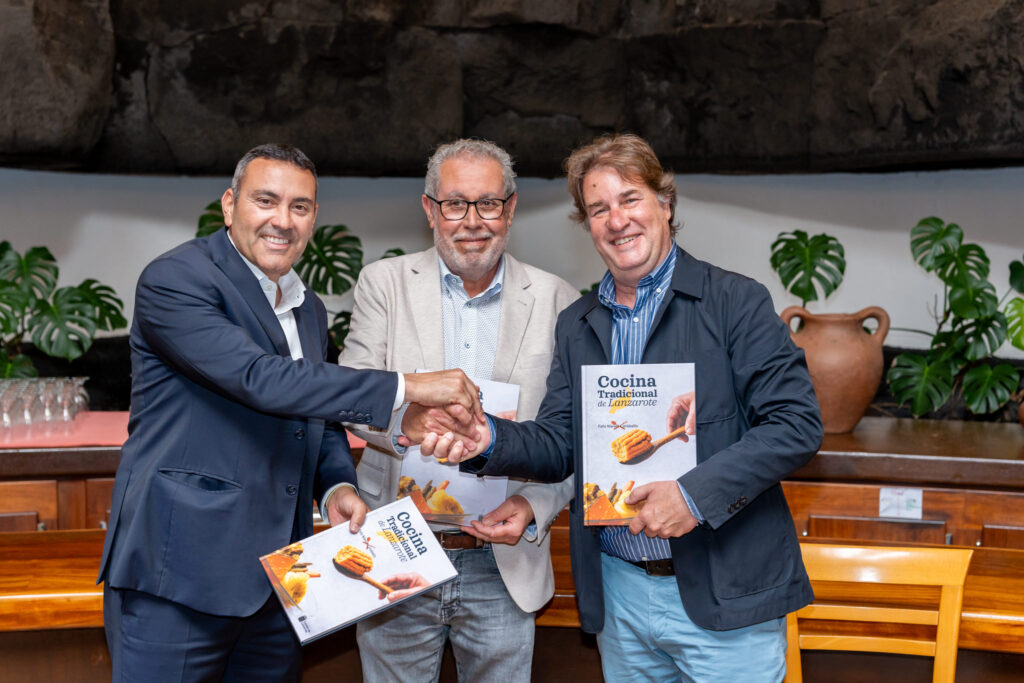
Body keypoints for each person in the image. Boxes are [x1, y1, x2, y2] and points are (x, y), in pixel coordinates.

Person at [425, 134, 823, 682]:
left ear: (665, 203)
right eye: (599, 208)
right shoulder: (579, 323)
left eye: (630, 198)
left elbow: (796, 424)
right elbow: (562, 440)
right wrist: (488, 439)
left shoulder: (736, 301)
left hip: (723, 591)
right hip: (621, 594)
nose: (617, 220)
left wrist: (692, 495)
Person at [98, 143, 482, 683]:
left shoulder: (307, 306)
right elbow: (261, 380)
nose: (282, 220)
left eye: (300, 207)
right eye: (266, 200)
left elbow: (312, 414)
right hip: (180, 576)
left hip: (281, 581)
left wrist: (336, 487)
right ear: (230, 205)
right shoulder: (177, 279)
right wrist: (409, 385)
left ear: (314, 218)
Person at [339, 138, 578, 683]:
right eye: (455, 204)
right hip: (399, 549)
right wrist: (405, 425)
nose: (472, 221)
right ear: (430, 209)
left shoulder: (558, 298)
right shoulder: (385, 284)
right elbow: (351, 394)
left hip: (502, 561)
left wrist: (536, 503)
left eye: (488, 203)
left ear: (510, 209)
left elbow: (572, 436)